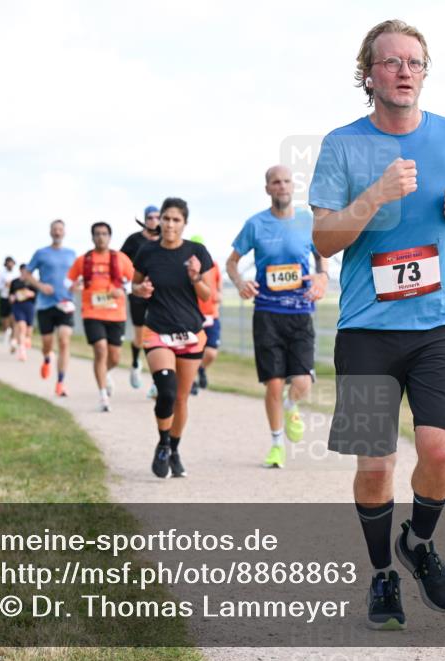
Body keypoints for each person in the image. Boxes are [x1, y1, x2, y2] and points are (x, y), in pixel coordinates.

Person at [310, 19, 445, 631]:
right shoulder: (341, 146)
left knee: (438, 450)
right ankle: (383, 575)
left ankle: (420, 542)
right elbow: (325, 241)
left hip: (441, 323)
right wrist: (375, 196)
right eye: (391, 62)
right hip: (365, 329)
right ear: (369, 74)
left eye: (414, 61)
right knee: (375, 465)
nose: (404, 71)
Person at [227, 166, 328, 467]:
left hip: (300, 314)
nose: (282, 186)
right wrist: (240, 282)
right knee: (272, 383)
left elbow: (322, 256)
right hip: (267, 313)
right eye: (275, 182)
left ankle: (291, 404)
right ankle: (276, 444)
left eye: (286, 181)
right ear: (268, 188)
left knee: (302, 382)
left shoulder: (307, 221)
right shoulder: (255, 224)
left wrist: (322, 277)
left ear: (292, 187)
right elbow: (232, 262)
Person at [131, 198, 213, 479]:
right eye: (166, 218)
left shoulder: (196, 252)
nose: (169, 224)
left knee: (180, 399)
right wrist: (140, 290)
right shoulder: (147, 251)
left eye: (176, 220)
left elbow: (206, 295)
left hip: (190, 333)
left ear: (184, 224)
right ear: (159, 221)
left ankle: (175, 449)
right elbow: (135, 284)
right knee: (166, 390)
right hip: (157, 330)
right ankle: (163, 443)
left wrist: (194, 277)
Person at [67, 222, 135, 412]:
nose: (101, 237)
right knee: (100, 349)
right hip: (92, 312)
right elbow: (68, 281)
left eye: (104, 234)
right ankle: (103, 395)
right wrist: (73, 288)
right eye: (97, 234)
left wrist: (123, 291)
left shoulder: (120, 259)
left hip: (116, 313)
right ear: (92, 237)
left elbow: (134, 281)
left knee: (114, 357)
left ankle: (105, 374)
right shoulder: (83, 260)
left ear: (110, 237)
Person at [25, 220, 77, 397]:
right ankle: (47, 358)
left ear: (64, 232)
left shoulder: (71, 254)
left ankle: (60, 382)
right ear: (50, 232)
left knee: (64, 341)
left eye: (60, 229)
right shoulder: (41, 253)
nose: (57, 232)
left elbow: (76, 277)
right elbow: (26, 274)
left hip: (65, 303)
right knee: (47, 344)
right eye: (54, 229)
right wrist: (40, 286)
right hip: (45, 304)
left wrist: (75, 286)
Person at [122, 205, 162, 391]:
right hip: (137, 292)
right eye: (151, 217)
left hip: (158, 293)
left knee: (156, 335)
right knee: (140, 336)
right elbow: (120, 261)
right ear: (145, 220)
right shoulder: (134, 240)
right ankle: (136, 363)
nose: (154, 221)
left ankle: (158, 378)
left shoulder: (164, 239)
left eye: (157, 217)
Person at [189, 234, 223, 395]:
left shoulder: (213, 266)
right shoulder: (186, 268)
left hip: (211, 315)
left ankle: (201, 369)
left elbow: (219, 289)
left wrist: (219, 296)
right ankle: (191, 380)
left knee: (210, 353)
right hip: (192, 316)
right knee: (192, 352)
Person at [9, 264, 37, 362]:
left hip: (29, 306)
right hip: (18, 306)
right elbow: (11, 294)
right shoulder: (15, 282)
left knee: (28, 331)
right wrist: (12, 298)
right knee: (21, 327)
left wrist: (30, 293)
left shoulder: (33, 282)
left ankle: (18, 342)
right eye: (24, 270)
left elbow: (37, 295)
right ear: (20, 270)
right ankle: (22, 351)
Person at [0, 256, 20, 353]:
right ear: (5, 264)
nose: (10, 265)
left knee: (14, 320)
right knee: (5, 320)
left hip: (15, 300)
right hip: (4, 298)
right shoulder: (1, 275)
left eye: (12, 263)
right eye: (8, 263)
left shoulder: (17, 275)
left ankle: (13, 341)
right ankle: (5, 333)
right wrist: (4, 285)